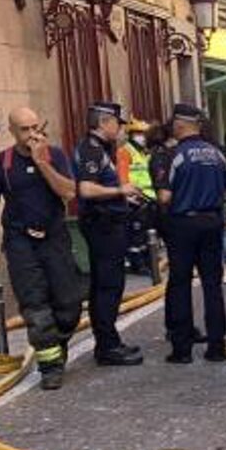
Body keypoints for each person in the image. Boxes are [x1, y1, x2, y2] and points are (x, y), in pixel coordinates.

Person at [0, 107, 84, 390]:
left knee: (69, 305)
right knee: (35, 306)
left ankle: (55, 345)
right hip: (20, 242)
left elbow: (68, 192)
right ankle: (50, 367)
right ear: (12, 132)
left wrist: (42, 163)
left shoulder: (55, 156)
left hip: (54, 238)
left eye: (35, 127)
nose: (32, 134)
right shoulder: (1, 163)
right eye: (24, 129)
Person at [152, 104, 226, 363]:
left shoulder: (174, 155)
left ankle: (182, 348)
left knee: (180, 284)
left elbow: (165, 196)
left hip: (183, 225)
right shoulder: (216, 153)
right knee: (212, 285)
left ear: (179, 126)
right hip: (211, 221)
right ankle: (216, 346)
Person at [73, 102, 144, 366]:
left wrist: (127, 198)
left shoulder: (102, 149)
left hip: (111, 222)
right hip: (102, 225)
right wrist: (120, 192)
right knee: (107, 286)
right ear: (103, 123)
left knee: (110, 285)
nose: (120, 128)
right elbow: (87, 189)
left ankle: (109, 341)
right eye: (117, 123)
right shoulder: (91, 149)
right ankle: (107, 346)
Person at [119, 120, 158, 275]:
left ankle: (149, 262)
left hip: (149, 198)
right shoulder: (125, 151)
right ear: (131, 135)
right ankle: (138, 264)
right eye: (139, 134)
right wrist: (128, 195)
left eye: (144, 134)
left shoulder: (144, 152)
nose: (142, 137)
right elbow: (122, 177)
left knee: (148, 233)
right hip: (135, 200)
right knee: (137, 235)